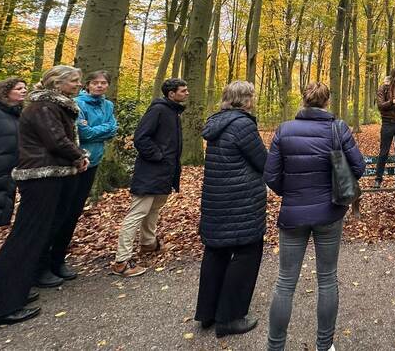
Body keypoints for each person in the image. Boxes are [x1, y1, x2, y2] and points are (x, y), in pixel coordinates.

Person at [265, 82, 364, 351]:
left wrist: (294, 194)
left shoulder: (285, 130)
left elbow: (271, 175)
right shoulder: (338, 128)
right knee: (327, 278)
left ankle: (275, 347)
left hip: (293, 215)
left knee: (285, 282)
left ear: (304, 100)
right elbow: (359, 166)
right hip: (329, 213)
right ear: (327, 101)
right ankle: (325, 346)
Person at [0, 66, 89, 327]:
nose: (79, 84)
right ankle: (1, 304)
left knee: (37, 235)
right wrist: (80, 156)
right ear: (57, 83)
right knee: (27, 236)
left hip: (52, 176)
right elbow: (56, 140)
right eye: (74, 81)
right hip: (41, 177)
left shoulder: (51, 106)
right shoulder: (44, 106)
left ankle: (15, 291)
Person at [195, 81, 268, 338]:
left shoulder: (217, 123)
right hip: (241, 201)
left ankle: (207, 312)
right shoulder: (242, 124)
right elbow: (263, 161)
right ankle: (230, 316)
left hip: (217, 198)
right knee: (247, 253)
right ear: (245, 99)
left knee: (216, 252)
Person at [38, 71, 119, 284]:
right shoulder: (76, 104)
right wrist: (102, 130)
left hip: (93, 163)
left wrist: (99, 129)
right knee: (61, 212)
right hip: (72, 164)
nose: (100, 86)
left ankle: (58, 259)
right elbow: (84, 134)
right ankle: (43, 262)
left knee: (74, 213)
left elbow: (113, 130)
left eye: (104, 83)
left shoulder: (108, 106)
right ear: (88, 86)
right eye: (96, 83)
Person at [111, 78, 188, 277]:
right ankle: (122, 261)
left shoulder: (173, 111)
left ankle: (148, 243)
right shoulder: (158, 110)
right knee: (138, 212)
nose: (187, 93)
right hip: (150, 171)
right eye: (183, 90)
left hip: (165, 172)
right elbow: (141, 137)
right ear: (171, 94)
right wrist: (158, 156)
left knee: (154, 209)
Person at [0, 78, 27, 231]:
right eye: (19, 89)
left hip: (6, 174)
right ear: (5, 92)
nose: (24, 91)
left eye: (25, 88)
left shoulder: (16, 115)